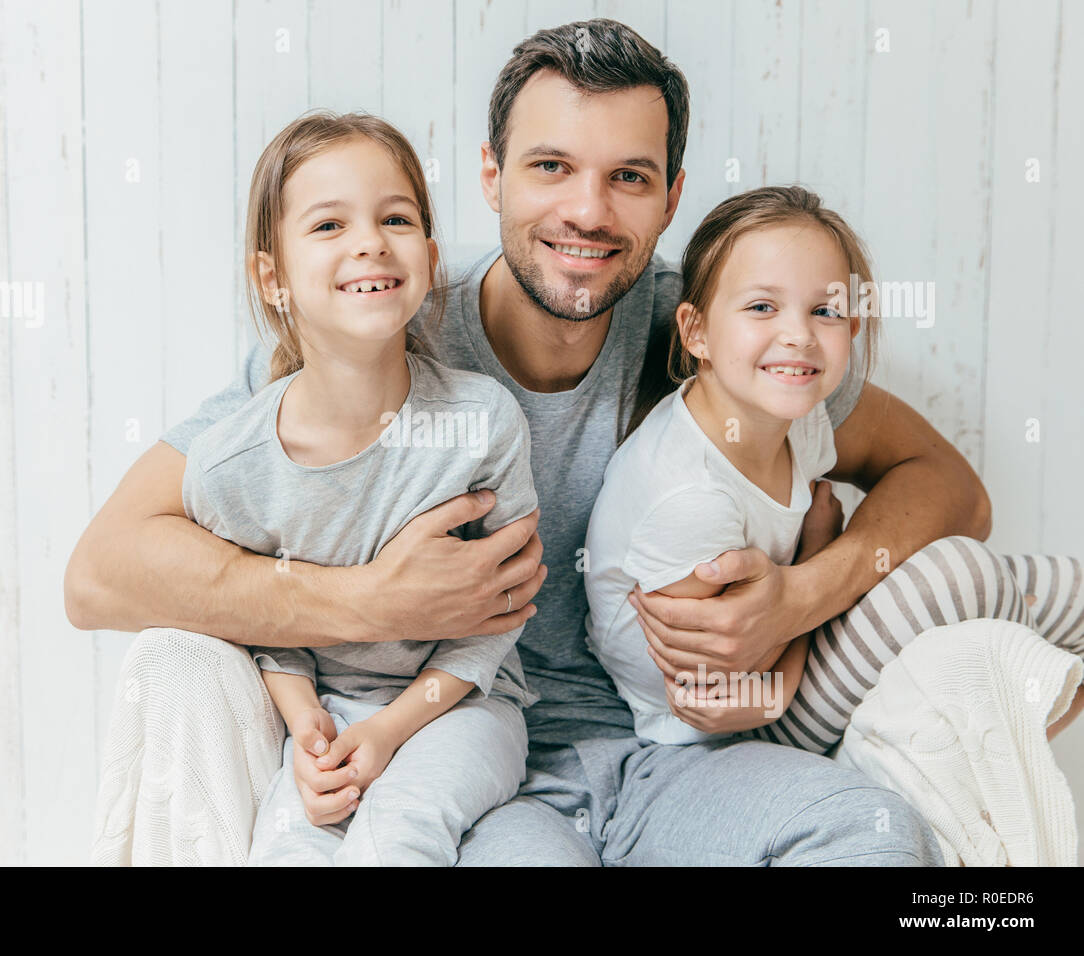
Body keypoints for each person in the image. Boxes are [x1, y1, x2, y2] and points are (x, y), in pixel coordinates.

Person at [69, 19, 998, 865]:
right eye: (551, 166)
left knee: (871, 835)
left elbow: (948, 484)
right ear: (491, 176)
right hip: (481, 769)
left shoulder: (719, 337)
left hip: (678, 764)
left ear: (671, 195)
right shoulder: (378, 335)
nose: (588, 212)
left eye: (628, 177)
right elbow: (102, 573)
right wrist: (364, 601)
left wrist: (799, 596)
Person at [585, 184, 1084, 752]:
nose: (799, 335)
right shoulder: (687, 501)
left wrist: (805, 585)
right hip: (729, 728)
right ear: (695, 330)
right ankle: (974, 746)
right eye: (761, 306)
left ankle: (999, 731)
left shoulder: (802, 418)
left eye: (825, 311)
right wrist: (818, 549)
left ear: (850, 330)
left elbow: (964, 500)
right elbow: (727, 697)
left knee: (1064, 595)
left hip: (782, 666)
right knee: (962, 576)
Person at [184, 112, 539, 866]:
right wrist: (309, 724)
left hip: (464, 706)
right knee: (287, 850)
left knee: (394, 839)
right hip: (331, 712)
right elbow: (260, 621)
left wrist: (389, 731)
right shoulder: (229, 467)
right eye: (328, 225)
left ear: (430, 257)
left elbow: (498, 618)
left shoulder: (482, 423)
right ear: (272, 278)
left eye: (396, 218)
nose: (370, 241)